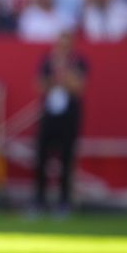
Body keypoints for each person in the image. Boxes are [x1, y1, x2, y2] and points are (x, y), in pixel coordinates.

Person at [34, 32, 87, 214]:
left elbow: (78, 87)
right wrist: (56, 76)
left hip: (69, 117)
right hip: (49, 115)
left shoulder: (79, 62)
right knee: (41, 157)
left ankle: (64, 201)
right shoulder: (48, 61)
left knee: (66, 159)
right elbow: (41, 85)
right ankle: (40, 200)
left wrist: (63, 74)